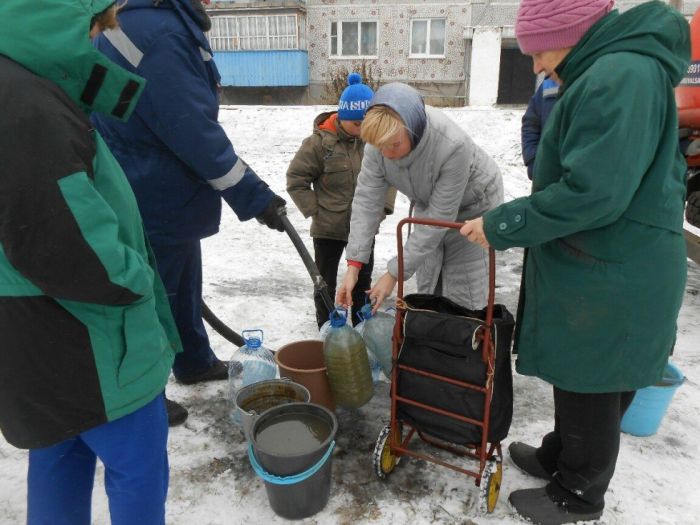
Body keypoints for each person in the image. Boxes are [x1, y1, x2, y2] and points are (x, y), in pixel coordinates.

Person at [460, 0, 689, 523]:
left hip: (616, 268)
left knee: (594, 379)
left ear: (570, 32)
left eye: (538, 52)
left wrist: (503, 224)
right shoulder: (608, 70)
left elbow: (593, 193)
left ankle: (578, 493)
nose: (536, 66)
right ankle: (559, 455)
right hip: (607, 261)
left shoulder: (619, 76)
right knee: (580, 368)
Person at [0, 2, 182, 523]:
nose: (98, 40)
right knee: (138, 473)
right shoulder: (26, 106)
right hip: (94, 342)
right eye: (94, 27)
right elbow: (63, 241)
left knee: (59, 459)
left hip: (37, 338)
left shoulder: (22, 86)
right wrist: (137, 276)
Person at [91, 0, 287, 425]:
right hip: (150, 184)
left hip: (155, 178)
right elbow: (192, 130)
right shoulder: (161, 34)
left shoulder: (148, 21)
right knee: (154, 292)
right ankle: (145, 391)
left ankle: (194, 360)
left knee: (183, 280)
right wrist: (255, 197)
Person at [336, 82, 503, 312]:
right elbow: (367, 202)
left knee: (463, 293)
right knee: (429, 286)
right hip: (429, 203)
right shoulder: (379, 144)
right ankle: (431, 340)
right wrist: (353, 267)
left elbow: (439, 217)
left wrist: (394, 273)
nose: (386, 154)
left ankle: (465, 342)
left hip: (475, 209)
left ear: (412, 128)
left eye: (394, 145)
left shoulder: (453, 146)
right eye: (380, 146)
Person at [286, 73, 396, 327]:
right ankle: (326, 327)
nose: (363, 130)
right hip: (328, 229)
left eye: (366, 123)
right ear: (343, 118)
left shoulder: (376, 142)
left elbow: (390, 176)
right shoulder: (318, 144)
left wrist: (383, 208)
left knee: (362, 282)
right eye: (357, 124)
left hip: (364, 228)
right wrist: (316, 211)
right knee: (324, 281)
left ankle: (361, 327)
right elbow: (296, 178)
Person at [521, 77, 559, 180]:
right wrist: (533, 160)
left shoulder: (589, 82)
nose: (537, 69)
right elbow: (530, 123)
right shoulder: (549, 83)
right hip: (544, 177)